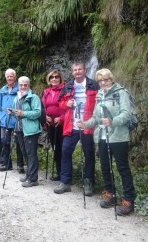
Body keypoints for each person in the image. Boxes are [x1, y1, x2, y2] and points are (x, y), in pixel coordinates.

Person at [77, 68, 136, 216]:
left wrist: (113, 121)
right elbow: (96, 118)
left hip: (118, 136)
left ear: (111, 79)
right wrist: (85, 124)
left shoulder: (121, 92)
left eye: (106, 80)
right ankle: (110, 194)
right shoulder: (99, 95)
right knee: (105, 166)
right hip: (102, 136)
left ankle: (129, 200)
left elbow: (127, 114)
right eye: (100, 80)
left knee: (122, 168)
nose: (103, 83)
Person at [55, 61, 99, 195]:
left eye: (80, 69)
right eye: (75, 70)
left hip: (87, 125)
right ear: (72, 72)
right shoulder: (68, 86)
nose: (78, 72)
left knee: (88, 153)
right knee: (65, 151)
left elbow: (100, 102)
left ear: (85, 70)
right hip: (71, 125)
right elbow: (60, 104)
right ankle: (65, 182)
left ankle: (88, 182)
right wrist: (66, 104)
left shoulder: (94, 85)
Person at [11, 76, 42, 188]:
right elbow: (16, 113)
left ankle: (33, 179)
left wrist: (23, 113)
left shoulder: (33, 97)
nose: (23, 87)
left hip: (31, 130)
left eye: (25, 85)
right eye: (21, 85)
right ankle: (29, 174)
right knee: (25, 152)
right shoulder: (17, 98)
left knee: (31, 154)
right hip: (19, 129)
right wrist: (12, 112)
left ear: (29, 86)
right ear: (18, 86)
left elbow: (37, 113)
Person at [0, 69, 25, 173]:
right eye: (8, 76)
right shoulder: (2, 90)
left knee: (19, 143)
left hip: (16, 119)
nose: (9, 78)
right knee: (5, 142)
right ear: (5, 77)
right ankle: (6, 163)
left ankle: (20, 165)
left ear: (15, 77)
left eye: (11, 76)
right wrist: (0, 116)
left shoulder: (19, 89)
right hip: (5, 120)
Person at [41, 70, 65, 181]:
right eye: (51, 77)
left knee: (63, 148)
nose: (54, 79)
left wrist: (61, 117)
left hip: (62, 124)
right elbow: (43, 107)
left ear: (60, 79)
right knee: (55, 148)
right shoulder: (46, 92)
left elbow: (68, 106)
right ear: (49, 79)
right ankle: (59, 172)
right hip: (50, 124)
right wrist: (45, 116)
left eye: (56, 77)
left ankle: (65, 174)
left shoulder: (64, 90)